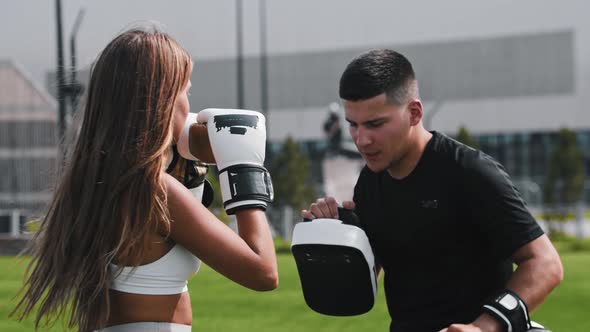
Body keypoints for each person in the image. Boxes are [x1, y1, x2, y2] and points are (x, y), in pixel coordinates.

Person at [12, 26, 278, 332]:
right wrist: (242, 167)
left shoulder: (103, 175)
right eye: (186, 92)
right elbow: (263, 273)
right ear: (161, 99)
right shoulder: (155, 190)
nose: (190, 105)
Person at [301, 49, 563, 332]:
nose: (361, 140)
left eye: (375, 124)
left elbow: (545, 263)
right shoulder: (370, 181)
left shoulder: (469, 171)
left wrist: (484, 327)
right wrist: (337, 238)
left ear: (414, 112)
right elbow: (363, 287)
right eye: (353, 125)